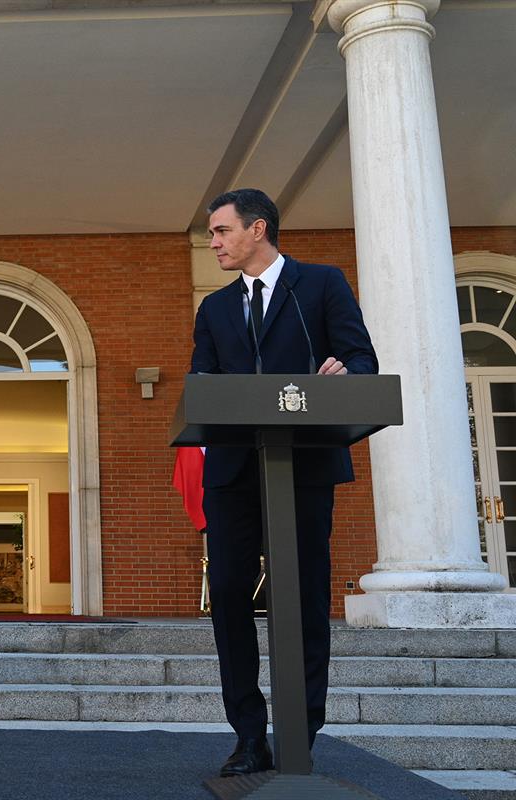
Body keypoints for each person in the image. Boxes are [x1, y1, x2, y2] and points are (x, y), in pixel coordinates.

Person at [190, 189, 378, 777]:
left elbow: (362, 360)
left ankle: (302, 733)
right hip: (233, 475)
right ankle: (249, 735)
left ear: (258, 229)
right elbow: (204, 385)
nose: (214, 243)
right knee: (228, 599)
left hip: (303, 468)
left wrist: (345, 370)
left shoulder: (319, 286)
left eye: (222, 232)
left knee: (304, 601)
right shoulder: (214, 310)